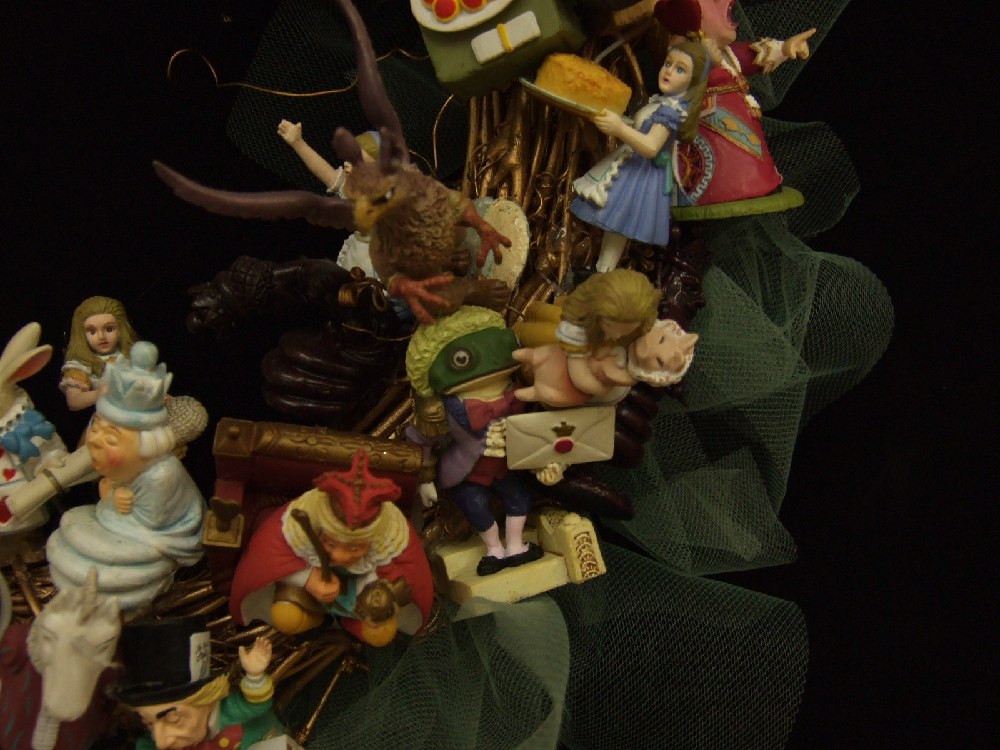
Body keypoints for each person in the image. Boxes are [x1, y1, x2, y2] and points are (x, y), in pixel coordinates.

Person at [46, 342, 206, 611]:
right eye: (96, 426)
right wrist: (110, 490)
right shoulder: (127, 462)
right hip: (121, 522)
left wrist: (112, 500)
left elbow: (147, 526)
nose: (95, 440)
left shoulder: (161, 475)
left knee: (103, 563)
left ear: (146, 445)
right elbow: (110, 484)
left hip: (157, 537)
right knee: (71, 532)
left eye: (111, 438)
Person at [229, 448, 434, 644]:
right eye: (330, 543)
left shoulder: (389, 545)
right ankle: (316, 623)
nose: (340, 556)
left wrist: (371, 598)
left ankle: (350, 627)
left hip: (356, 604)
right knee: (286, 617)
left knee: (382, 632)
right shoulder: (295, 528)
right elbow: (269, 561)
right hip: (307, 597)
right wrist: (307, 579)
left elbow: (401, 578)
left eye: (355, 549)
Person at [570, 40, 710, 271]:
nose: (668, 71)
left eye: (680, 69)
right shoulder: (660, 103)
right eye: (668, 63)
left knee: (618, 222)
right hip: (631, 164)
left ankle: (604, 273)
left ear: (692, 81)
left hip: (642, 175)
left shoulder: (671, 112)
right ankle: (602, 270)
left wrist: (619, 129)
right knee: (612, 225)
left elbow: (651, 146)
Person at [116, 616, 281, 750]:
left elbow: (256, 704)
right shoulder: (149, 744)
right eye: (149, 724)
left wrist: (254, 676)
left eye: (174, 719)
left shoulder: (229, 713)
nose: (161, 743)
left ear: (207, 702)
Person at [60, 296, 138, 411]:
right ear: (82, 335)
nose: (101, 337)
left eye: (109, 329)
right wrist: (99, 393)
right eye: (92, 332)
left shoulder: (131, 355)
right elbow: (74, 401)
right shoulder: (80, 366)